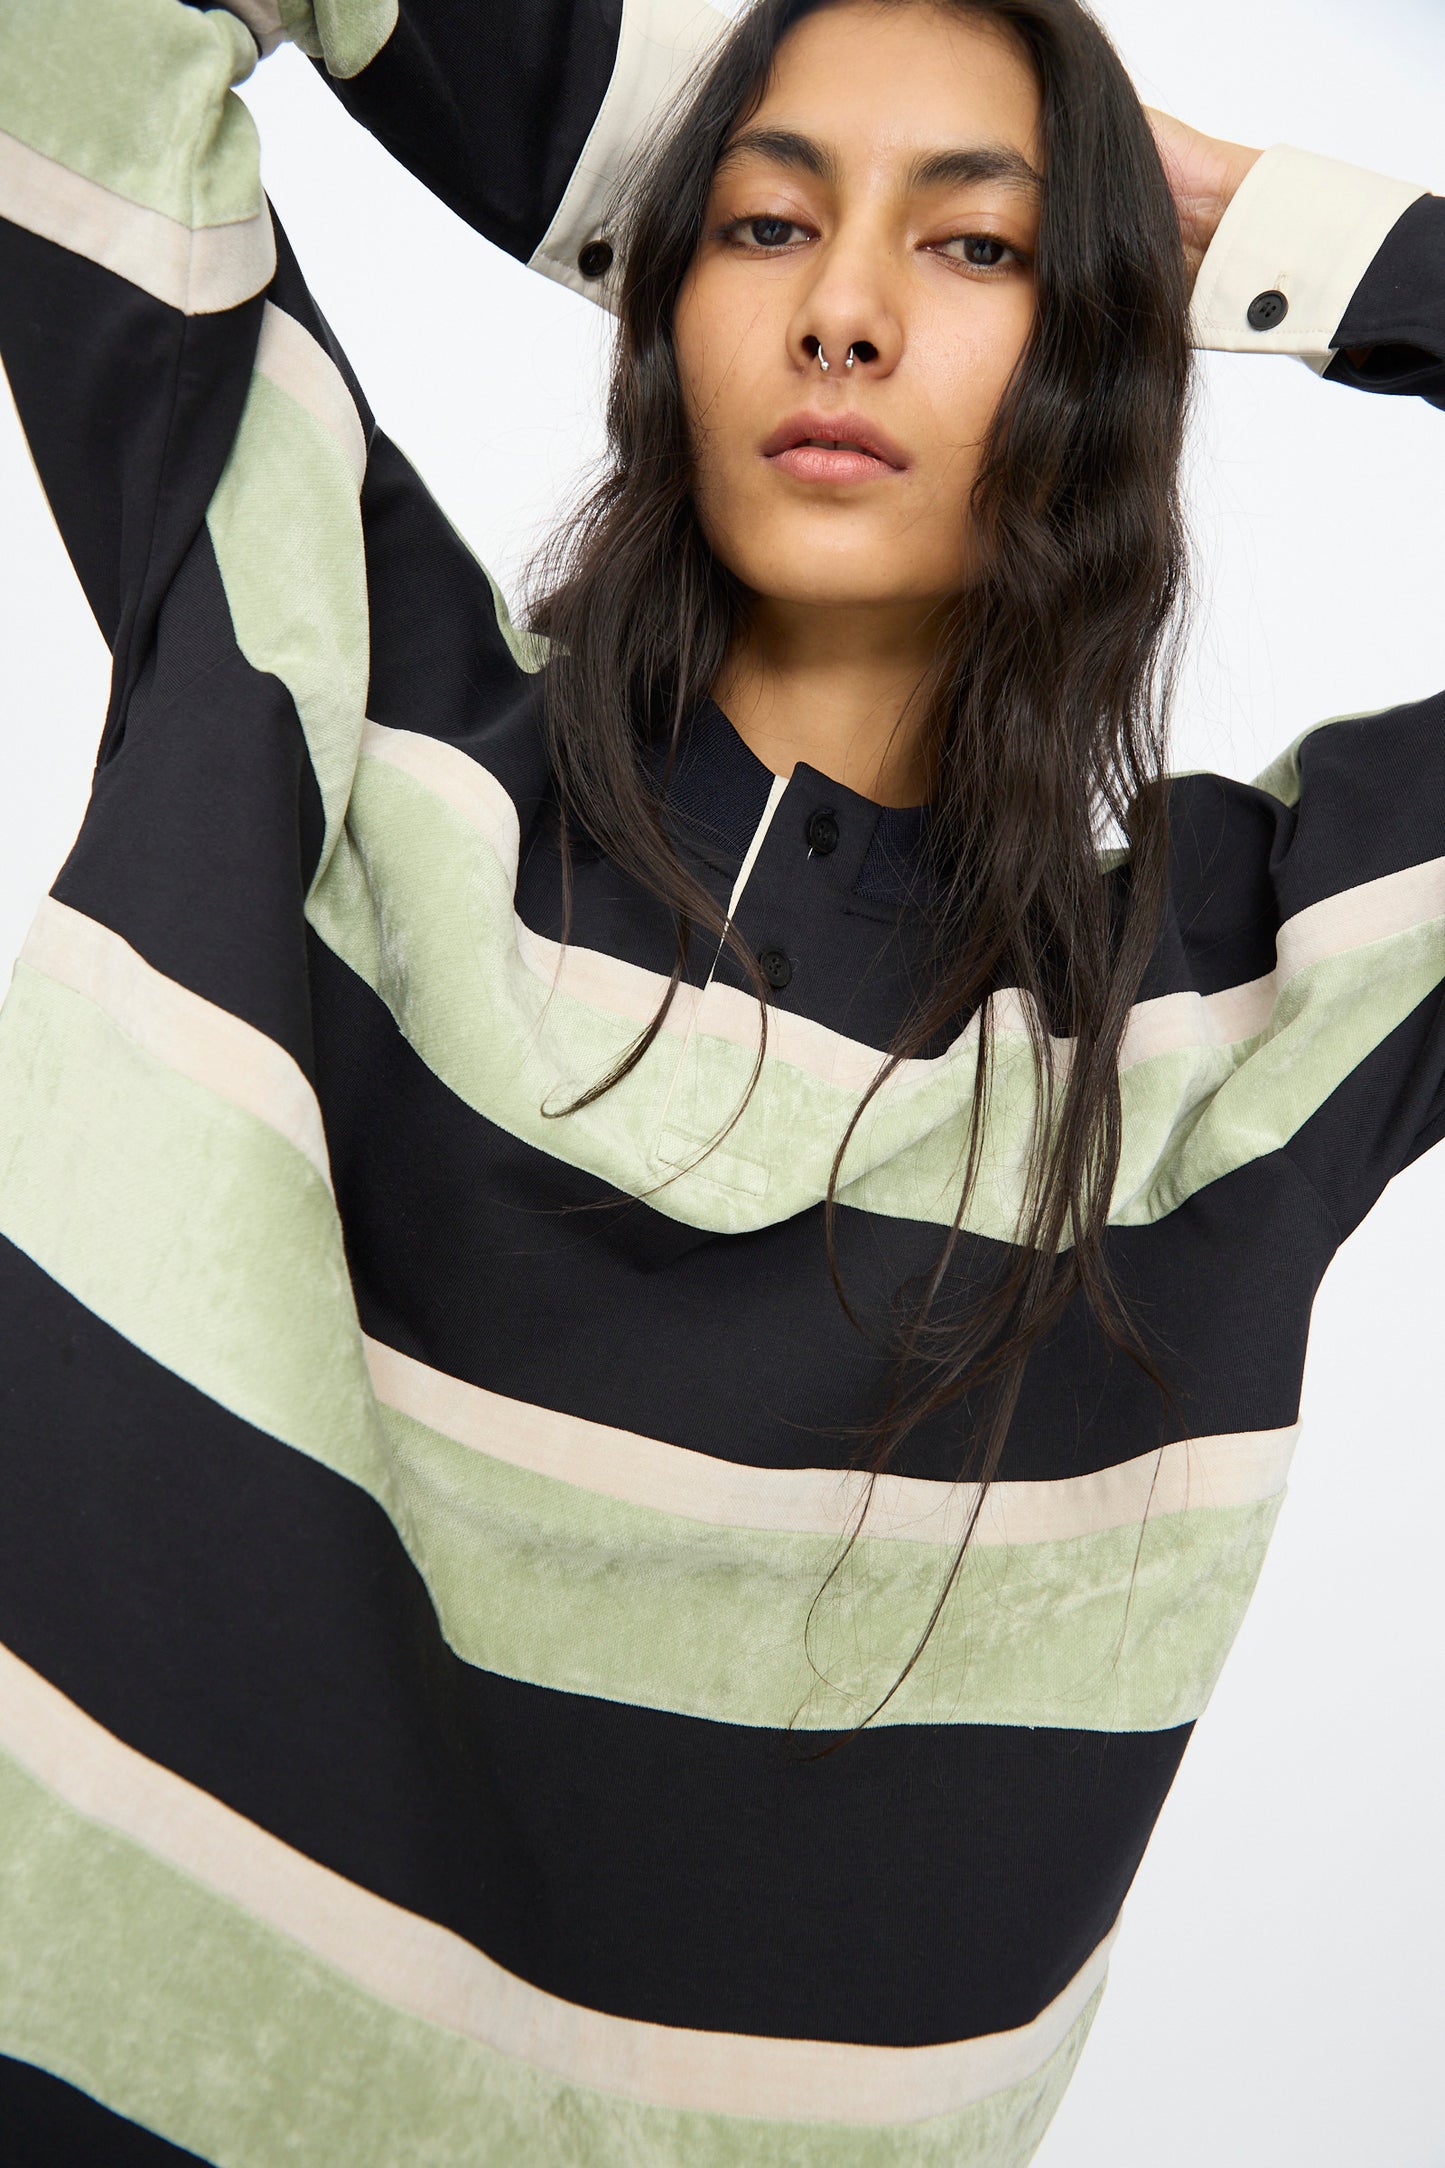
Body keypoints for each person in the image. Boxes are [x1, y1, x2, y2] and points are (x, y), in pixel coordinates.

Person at [0, 0, 1439, 2160]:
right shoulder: (332, 699)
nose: (846, 312)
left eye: (982, 254)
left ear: (1102, 362)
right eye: (772, 227)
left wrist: (1251, 232)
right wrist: (659, 147)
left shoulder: (1226, 1020)